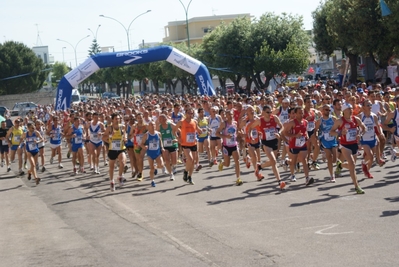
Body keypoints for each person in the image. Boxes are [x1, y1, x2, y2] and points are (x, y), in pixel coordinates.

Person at [330, 103, 366, 194]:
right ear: (344, 111)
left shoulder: (356, 119)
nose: (350, 111)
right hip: (344, 145)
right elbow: (331, 132)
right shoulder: (339, 121)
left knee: (351, 166)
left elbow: (364, 128)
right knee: (352, 164)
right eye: (348, 109)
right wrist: (340, 133)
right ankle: (357, 186)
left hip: (354, 144)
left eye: (351, 109)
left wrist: (360, 135)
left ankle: (340, 165)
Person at [249, 105, 286, 189]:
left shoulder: (275, 118)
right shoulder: (260, 120)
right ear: (263, 112)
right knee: (273, 161)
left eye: (270, 112)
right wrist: (251, 137)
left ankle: (260, 166)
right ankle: (279, 181)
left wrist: (279, 133)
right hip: (266, 143)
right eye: (268, 112)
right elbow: (250, 128)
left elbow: (282, 126)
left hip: (275, 141)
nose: (270, 114)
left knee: (273, 161)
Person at [283, 106, 313, 185]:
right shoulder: (292, 123)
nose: (301, 114)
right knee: (294, 161)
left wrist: (307, 137)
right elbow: (285, 132)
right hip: (293, 145)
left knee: (304, 160)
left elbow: (305, 131)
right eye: (299, 113)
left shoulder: (305, 122)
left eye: (302, 112)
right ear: (295, 114)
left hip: (302, 144)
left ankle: (307, 178)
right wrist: (295, 135)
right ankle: (292, 174)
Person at [175, 107, 202, 185]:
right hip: (185, 144)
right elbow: (174, 130)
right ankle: (186, 171)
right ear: (186, 113)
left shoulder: (195, 121)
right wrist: (178, 138)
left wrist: (200, 131)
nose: (190, 114)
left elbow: (197, 129)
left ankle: (189, 176)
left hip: (193, 143)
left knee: (193, 161)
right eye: (189, 113)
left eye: (192, 113)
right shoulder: (181, 122)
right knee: (190, 159)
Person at [216, 109, 243, 186]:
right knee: (227, 164)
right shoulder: (223, 124)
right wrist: (225, 136)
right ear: (226, 116)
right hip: (226, 146)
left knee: (237, 161)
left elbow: (236, 132)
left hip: (234, 145)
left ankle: (238, 178)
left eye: (231, 114)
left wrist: (239, 135)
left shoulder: (235, 123)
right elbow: (217, 133)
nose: (230, 116)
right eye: (228, 115)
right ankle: (222, 163)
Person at [103, 113, 127, 192]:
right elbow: (104, 137)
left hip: (120, 148)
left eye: (119, 118)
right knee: (112, 167)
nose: (118, 120)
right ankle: (112, 181)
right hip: (112, 149)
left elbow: (124, 134)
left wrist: (125, 138)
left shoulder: (122, 127)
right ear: (112, 119)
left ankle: (120, 177)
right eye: (116, 119)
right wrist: (110, 137)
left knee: (123, 162)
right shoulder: (109, 128)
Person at [314, 104, 338, 182]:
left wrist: (338, 133)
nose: (328, 111)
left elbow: (339, 126)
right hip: (324, 140)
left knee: (335, 159)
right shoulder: (320, 120)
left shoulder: (333, 119)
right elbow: (316, 130)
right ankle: (332, 175)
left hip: (333, 139)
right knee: (330, 157)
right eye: (326, 110)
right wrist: (317, 137)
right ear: (323, 111)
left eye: (329, 110)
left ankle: (323, 154)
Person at [141, 121, 165, 187]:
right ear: (149, 126)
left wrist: (162, 147)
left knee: (161, 165)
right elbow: (141, 144)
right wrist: (144, 147)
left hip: (157, 153)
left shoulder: (158, 133)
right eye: (151, 125)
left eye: (154, 125)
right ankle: (152, 181)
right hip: (150, 154)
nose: (153, 126)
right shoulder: (146, 135)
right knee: (151, 169)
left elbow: (160, 141)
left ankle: (156, 167)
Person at [158, 114, 178, 181]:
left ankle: (174, 167)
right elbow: (155, 134)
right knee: (166, 160)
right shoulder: (159, 127)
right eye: (160, 119)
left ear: (165, 119)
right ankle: (171, 174)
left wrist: (177, 139)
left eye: (162, 119)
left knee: (174, 161)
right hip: (165, 146)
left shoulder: (171, 125)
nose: (160, 121)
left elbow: (180, 131)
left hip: (173, 144)